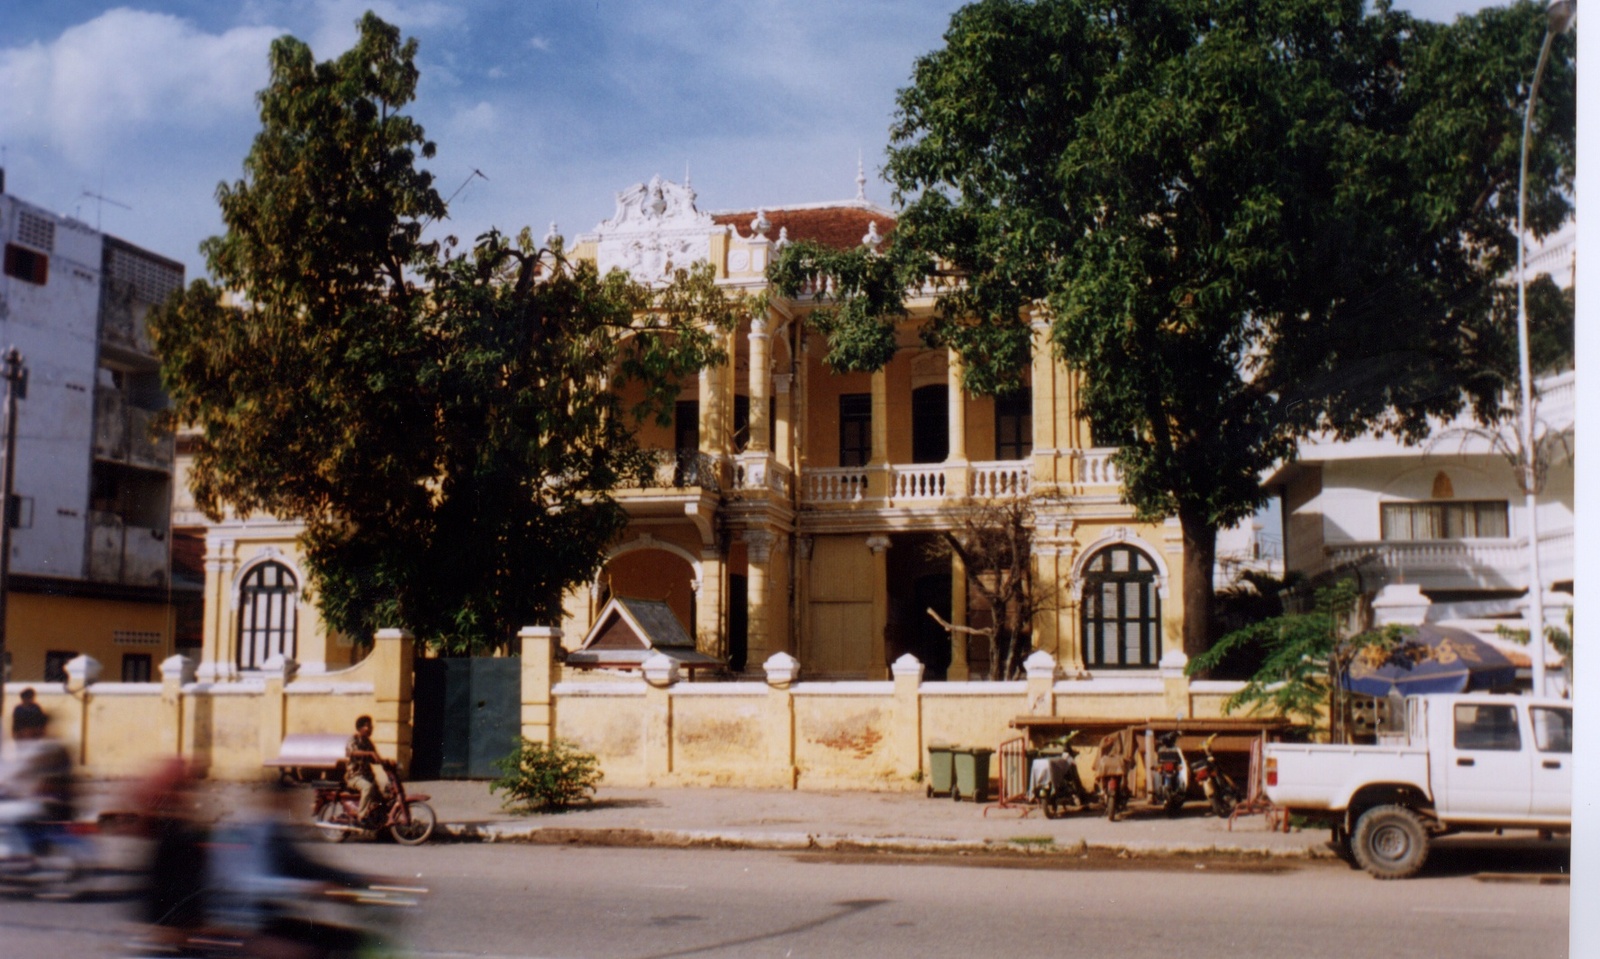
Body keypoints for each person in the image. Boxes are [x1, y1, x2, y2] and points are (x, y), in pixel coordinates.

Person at [344, 716, 382, 824]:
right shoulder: (353, 739)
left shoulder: (368, 742)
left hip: (368, 776)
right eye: (368, 726)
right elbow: (351, 752)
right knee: (368, 788)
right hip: (355, 777)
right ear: (361, 728)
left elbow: (375, 758)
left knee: (381, 797)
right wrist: (369, 753)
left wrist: (386, 762)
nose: (371, 728)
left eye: (371, 726)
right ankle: (361, 816)